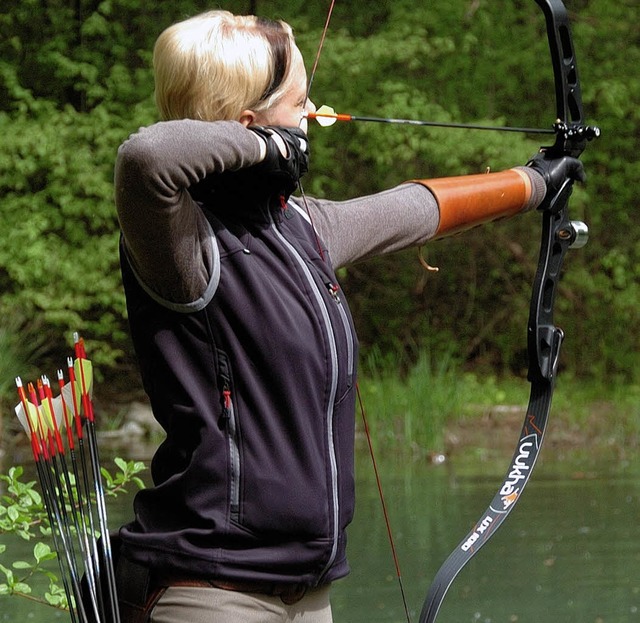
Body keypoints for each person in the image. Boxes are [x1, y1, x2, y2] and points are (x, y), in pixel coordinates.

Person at [113, 9, 585, 623]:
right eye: (299, 103)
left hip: (308, 596)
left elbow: (411, 210)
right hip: (212, 592)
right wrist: (267, 145)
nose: (312, 117)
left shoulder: (299, 228)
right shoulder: (186, 243)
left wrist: (533, 183)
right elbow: (148, 156)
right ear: (249, 123)